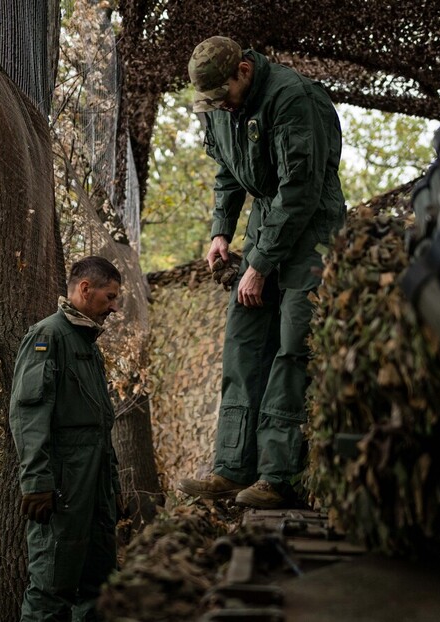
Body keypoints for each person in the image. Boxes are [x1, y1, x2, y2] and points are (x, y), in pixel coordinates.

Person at [176, 36, 346, 509]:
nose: (221, 108)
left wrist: (260, 264)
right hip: (266, 232)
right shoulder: (222, 109)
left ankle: (279, 475)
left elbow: (300, 192)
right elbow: (227, 173)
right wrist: (220, 233)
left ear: (244, 71)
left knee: (293, 346)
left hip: (310, 232)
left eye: (224, 96)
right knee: (244, 343)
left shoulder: (294, 98)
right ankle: (232, 469)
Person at [9, 256, 123, 621]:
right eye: (110, 297)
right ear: (85, 289)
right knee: (51, 590)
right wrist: (37, 482)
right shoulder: (48, 335)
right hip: (63, 489)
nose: (114, 306)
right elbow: (28, 414)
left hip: (95, 486)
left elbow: (98, 427)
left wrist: (113, 485)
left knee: (99, 587)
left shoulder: (87, 341)